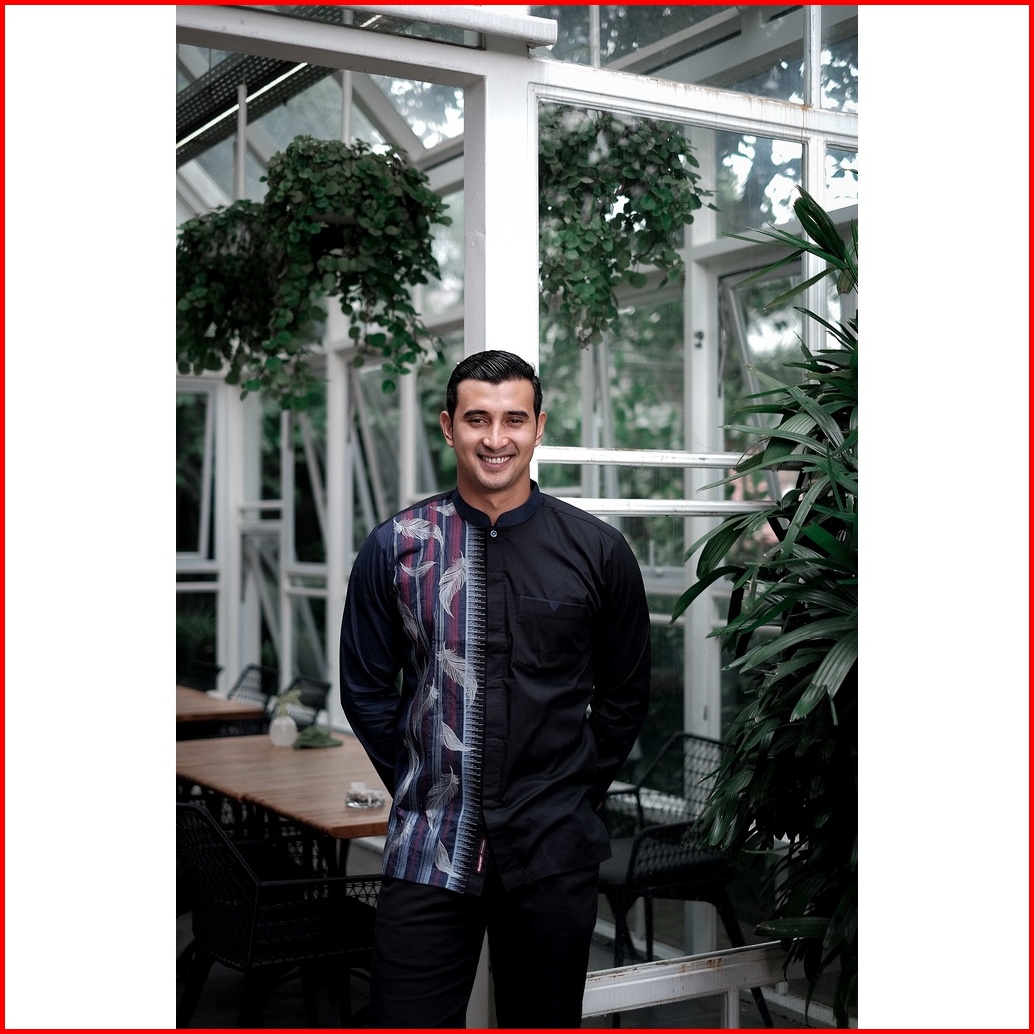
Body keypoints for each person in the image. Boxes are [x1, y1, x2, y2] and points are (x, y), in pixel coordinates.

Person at [339, 349, 651, 1028]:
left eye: (514, 419)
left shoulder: (598, 552)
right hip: (430, 844)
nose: (495, 438)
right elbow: (364, 688)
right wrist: (426, 777)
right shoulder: (396, 546)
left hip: (552, 849)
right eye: (477, 418)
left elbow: (625, 696)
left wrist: (570, 788)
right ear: (448, 426)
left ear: (539, 426)